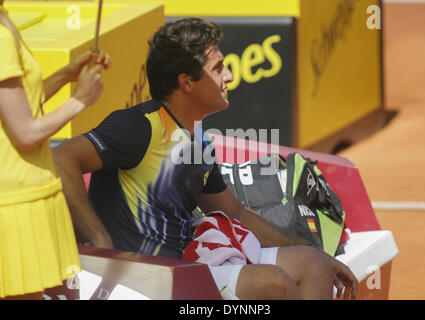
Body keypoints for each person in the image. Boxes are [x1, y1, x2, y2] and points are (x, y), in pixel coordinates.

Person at [52, 17, 358, 300]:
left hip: (186, 265)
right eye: (218, 68)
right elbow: (62, 157)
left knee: (313, 264)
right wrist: (99, 239)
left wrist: (310, 249)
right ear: (186, 83)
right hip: (143, 275)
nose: (229, 76)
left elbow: (234, 211)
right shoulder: (138, 126)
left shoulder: (198, 138)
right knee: (272, 283)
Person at [0, 1, 111, 299]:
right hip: (15, 208)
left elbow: (21, 104)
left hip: (28, 199)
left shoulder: (4, 20)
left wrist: (65, 75)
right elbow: (25, 133)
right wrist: (80, 100)